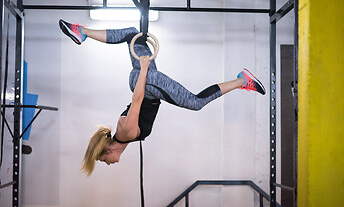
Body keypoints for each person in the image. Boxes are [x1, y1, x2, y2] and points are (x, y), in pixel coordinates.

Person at [58, 19, 266, 176]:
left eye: (104, 159)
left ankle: (242, 81)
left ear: (109, 148)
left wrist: (144, 70)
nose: (108, 162)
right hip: (144, 82)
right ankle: (81, 32)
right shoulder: (124, 135)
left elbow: (137, 99)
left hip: (147, 85)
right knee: (132, 35)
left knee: (195, 103)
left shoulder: (127, 133)